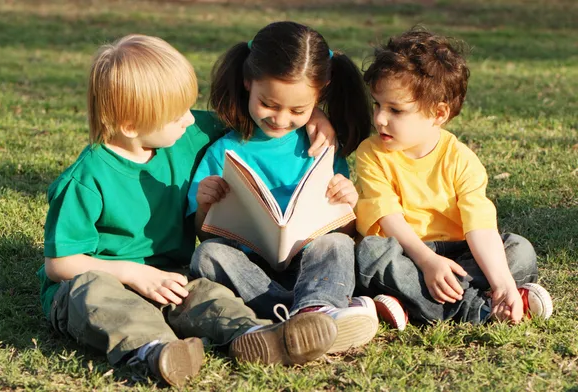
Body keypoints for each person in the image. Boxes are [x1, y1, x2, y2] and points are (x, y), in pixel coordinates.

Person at [36, 34, 342, 387]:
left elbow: (266, 114)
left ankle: (257, 336)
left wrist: (316, 113)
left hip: (169, 277)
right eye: (177, 114)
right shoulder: (86, 179)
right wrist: (132, 274)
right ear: (131, 125)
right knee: (97, 296)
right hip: (95, 283)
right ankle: (156, 350)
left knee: (208, 296)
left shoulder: (181, 135)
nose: (188, 119)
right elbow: (59, 264)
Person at [189, 21, 379, 354]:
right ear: (248, 82)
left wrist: (346, 204)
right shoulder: (224, 151)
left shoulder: (320, 145)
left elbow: (345, 230)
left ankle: (314, 310)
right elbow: (204, 233)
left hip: (312, 264)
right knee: (207, 256)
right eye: (269, 104)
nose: (280, 119)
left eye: (298, 110)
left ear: (319, 95)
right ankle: (305, 317)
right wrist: (206, 203)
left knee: (336, 244)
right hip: (252, 272)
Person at [354, 27, 553, 330]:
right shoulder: (372, 152)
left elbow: (481, 229)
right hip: (407, 252)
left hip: (461, 253)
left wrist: (502, 282)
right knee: (369, 254)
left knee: (518, 250)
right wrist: (426, 261)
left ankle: (413, 302)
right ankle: (480, 310)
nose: (380, 118)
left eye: (396, 109)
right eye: (377, 104)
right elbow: (388, 217)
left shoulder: (461, 160)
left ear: (438, 113)